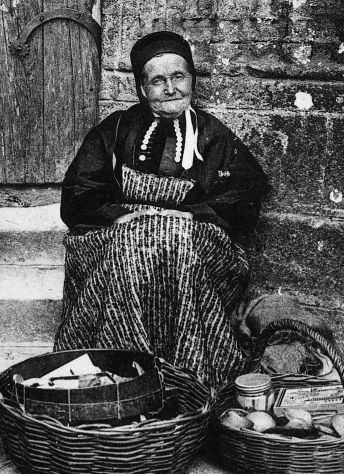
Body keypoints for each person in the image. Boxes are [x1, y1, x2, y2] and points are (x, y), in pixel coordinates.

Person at [57, 31, 269, 387]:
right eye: (158, 80)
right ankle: (124, 372)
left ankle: (184, 376)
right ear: (142, 89)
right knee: (131, 245)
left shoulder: (214, 135)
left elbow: (245, 195)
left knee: (172, 242)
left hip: (193, 233)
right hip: (119, 230)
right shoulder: (115, 129)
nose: (170, 88)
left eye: (178, 77)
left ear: (191, 81)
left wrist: (191, 216)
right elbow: (79, 193)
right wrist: (121, 216)